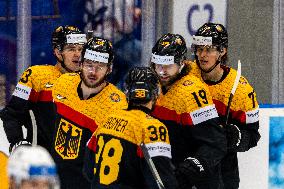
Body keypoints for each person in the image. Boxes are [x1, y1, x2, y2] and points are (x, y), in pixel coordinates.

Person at [150, 33, 227, 189]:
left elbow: (216, 143)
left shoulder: (193, 92)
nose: (162, 72)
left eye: (168, 66)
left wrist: (189, 171)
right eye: (158, 65)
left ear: (181, 64)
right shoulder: (152, 86)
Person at [189, 23, 261, 189]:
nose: (202, 55)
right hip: (187, 167)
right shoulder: (186, 73)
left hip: (223, 173)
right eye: (199, 49)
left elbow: (253, 136)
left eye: (209, 49)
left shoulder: (241, 90)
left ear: (222, 51)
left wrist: (235, 136)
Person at [51, 36, 128, 189]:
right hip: (55, 177)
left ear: (110, 68)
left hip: (86, 182)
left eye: (100, 67)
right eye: (89, 65)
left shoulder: (117, 104)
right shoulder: (63, 83)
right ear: (81, 64)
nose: (93, 72)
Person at [83, 67, 177, 189]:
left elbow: (88, 170)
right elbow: (161, 182)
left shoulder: (108, 118)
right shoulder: (153, 127)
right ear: (155, 94)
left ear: (127, 92)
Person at [0, 25, 87, 153]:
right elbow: (11, 114)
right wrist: (18, 142)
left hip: (77, 167)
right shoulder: (36, 76)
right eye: (71, 49)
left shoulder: (90, 82)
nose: (78, 54)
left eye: (81, 49)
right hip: (43, 163)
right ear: (58, 52)